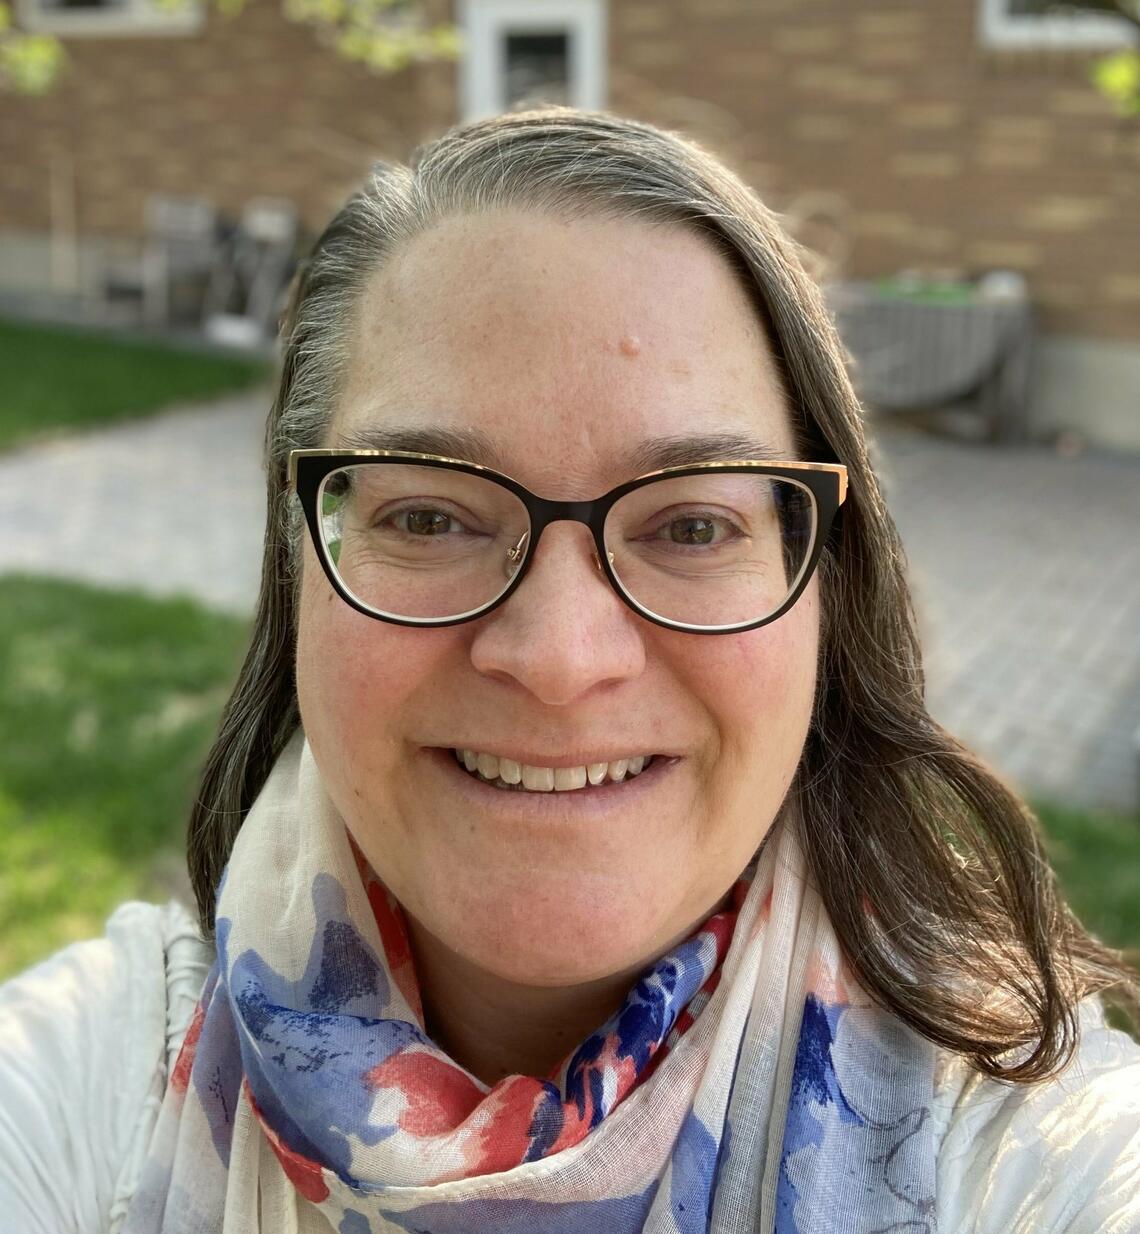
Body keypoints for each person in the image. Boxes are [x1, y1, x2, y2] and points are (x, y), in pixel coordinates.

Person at [1, 107, 1138, 1234]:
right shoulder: (77, 1090)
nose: (557, 659)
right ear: (299, 566)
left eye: (692, 526)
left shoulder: (1040, 1152)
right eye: (432, 514)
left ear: (826, 587)